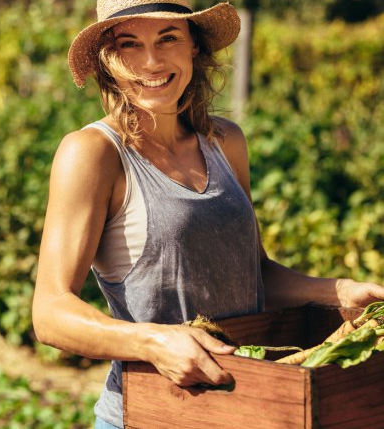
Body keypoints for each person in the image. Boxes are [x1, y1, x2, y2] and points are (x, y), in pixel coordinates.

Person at [31, 1, 384, 428]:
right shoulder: (94, 153)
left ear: (193, 48)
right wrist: (154, 341)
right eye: (130, 45)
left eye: (168, 39)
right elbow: (50, 312)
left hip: (247, 408)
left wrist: (340, 291)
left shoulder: (225, 142)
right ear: (109, 59)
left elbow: (254, 275)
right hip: (153, 413)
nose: (151, 61)